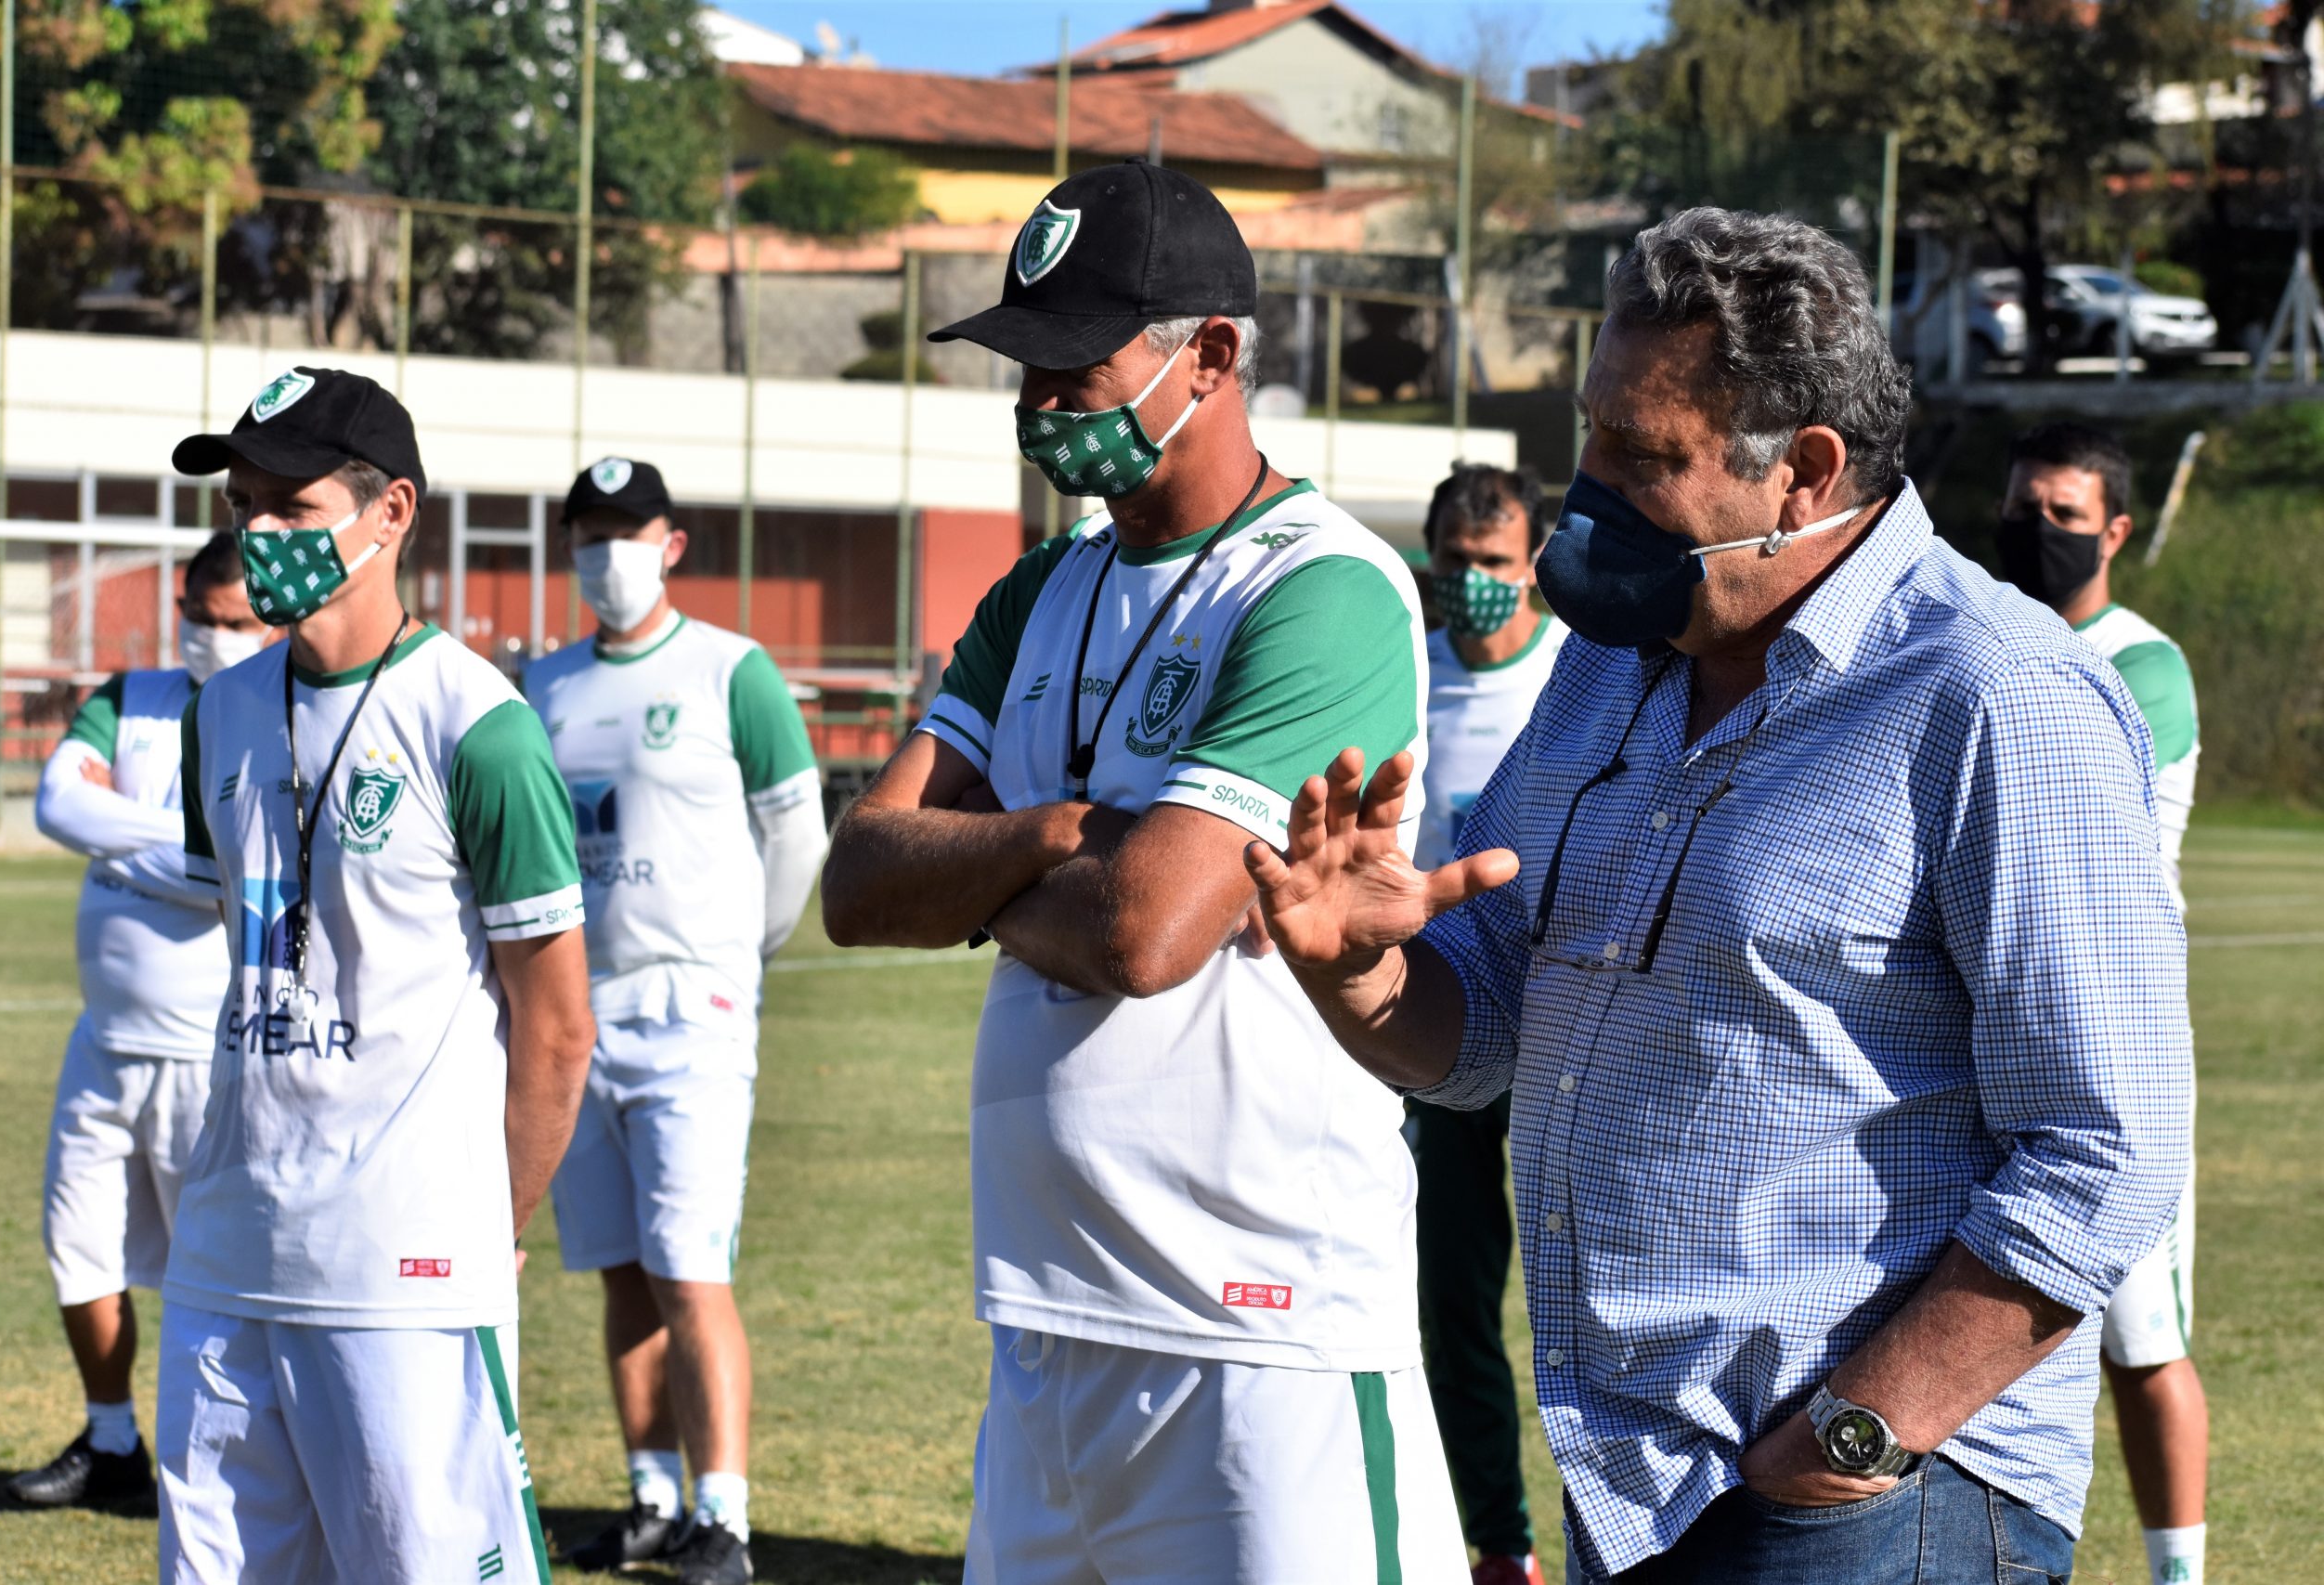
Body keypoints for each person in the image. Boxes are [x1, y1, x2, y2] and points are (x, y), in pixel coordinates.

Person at [1240, 208, 2192, 1583]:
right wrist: (1364, 974)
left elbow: (2109, 1147)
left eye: (1644, 455)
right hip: (1636, 1482)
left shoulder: (1998, 696)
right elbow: (1492, 1020)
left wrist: (1847, 1442)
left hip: (1869, 1508)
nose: (1589, 489)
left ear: (1805, 471)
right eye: (1592, 434)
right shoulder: (1613, 660)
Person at [820, 160, 1470, 1582]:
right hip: (1048, 1319)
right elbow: (862, 879)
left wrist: (995, 868)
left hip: (1261, 1331)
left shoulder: (1320, 587)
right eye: (1027, 366)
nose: (1041, 403)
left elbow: (1148, 928)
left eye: (1075, 364)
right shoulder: (1037, 589)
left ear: (1215, 354)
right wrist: (1059, 832)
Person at [160, 366, 597, 1583]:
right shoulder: (221, 714)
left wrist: (478, 1227)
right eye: (244, 503)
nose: (260, 534)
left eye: (293, 507)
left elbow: (558, 1030)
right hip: (225, 1253)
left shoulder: (482, 725)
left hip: (404, 1272)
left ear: (391, 511)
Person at [525, 457, 824, 1583]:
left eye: (625, 531)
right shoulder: (544, 686)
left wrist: (741, 955)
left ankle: (726, 1515)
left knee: (693, 1270)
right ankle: (650, 1497)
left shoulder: (729, 671)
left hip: (689, 1006)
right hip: (577, 1015)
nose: (605, 555)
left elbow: (796, 836)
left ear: (673, 542)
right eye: (587, 535)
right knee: (621, 1272)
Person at [9, 532, 267, 1512]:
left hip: (208, 1051)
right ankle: (111, 1442)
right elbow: (56, 803)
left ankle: (223, 1465)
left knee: (212, 1275)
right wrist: (183, 845)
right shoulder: (131, 692)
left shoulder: (273, 707)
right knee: (78, 1248)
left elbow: (232, 875)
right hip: (102, 1042)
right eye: (199, 617)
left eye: (234, 621)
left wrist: (123, 846)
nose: (211, 637)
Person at [1998, 421, 2207, 1585]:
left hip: (2113, 1042)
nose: (2037, 531)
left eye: (2064, 516)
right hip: (1994, 1027)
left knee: (2140, 1338)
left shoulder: (2141, 660)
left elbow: (2064, 780)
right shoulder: (1986, 639)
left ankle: (2179, 1573)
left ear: (2116, 531)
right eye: (2024, 507)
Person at [1409, 463, 1563, 1585]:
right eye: (1456, 566)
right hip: (1433, 1020)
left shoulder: (1581, 677)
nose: (1475, 586)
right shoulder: (1399, 678)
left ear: (1534, 568)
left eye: (1495, 567)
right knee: (1450, 1295)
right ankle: (1496, 1547)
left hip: (1565, 1022)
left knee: (1592, 1294)